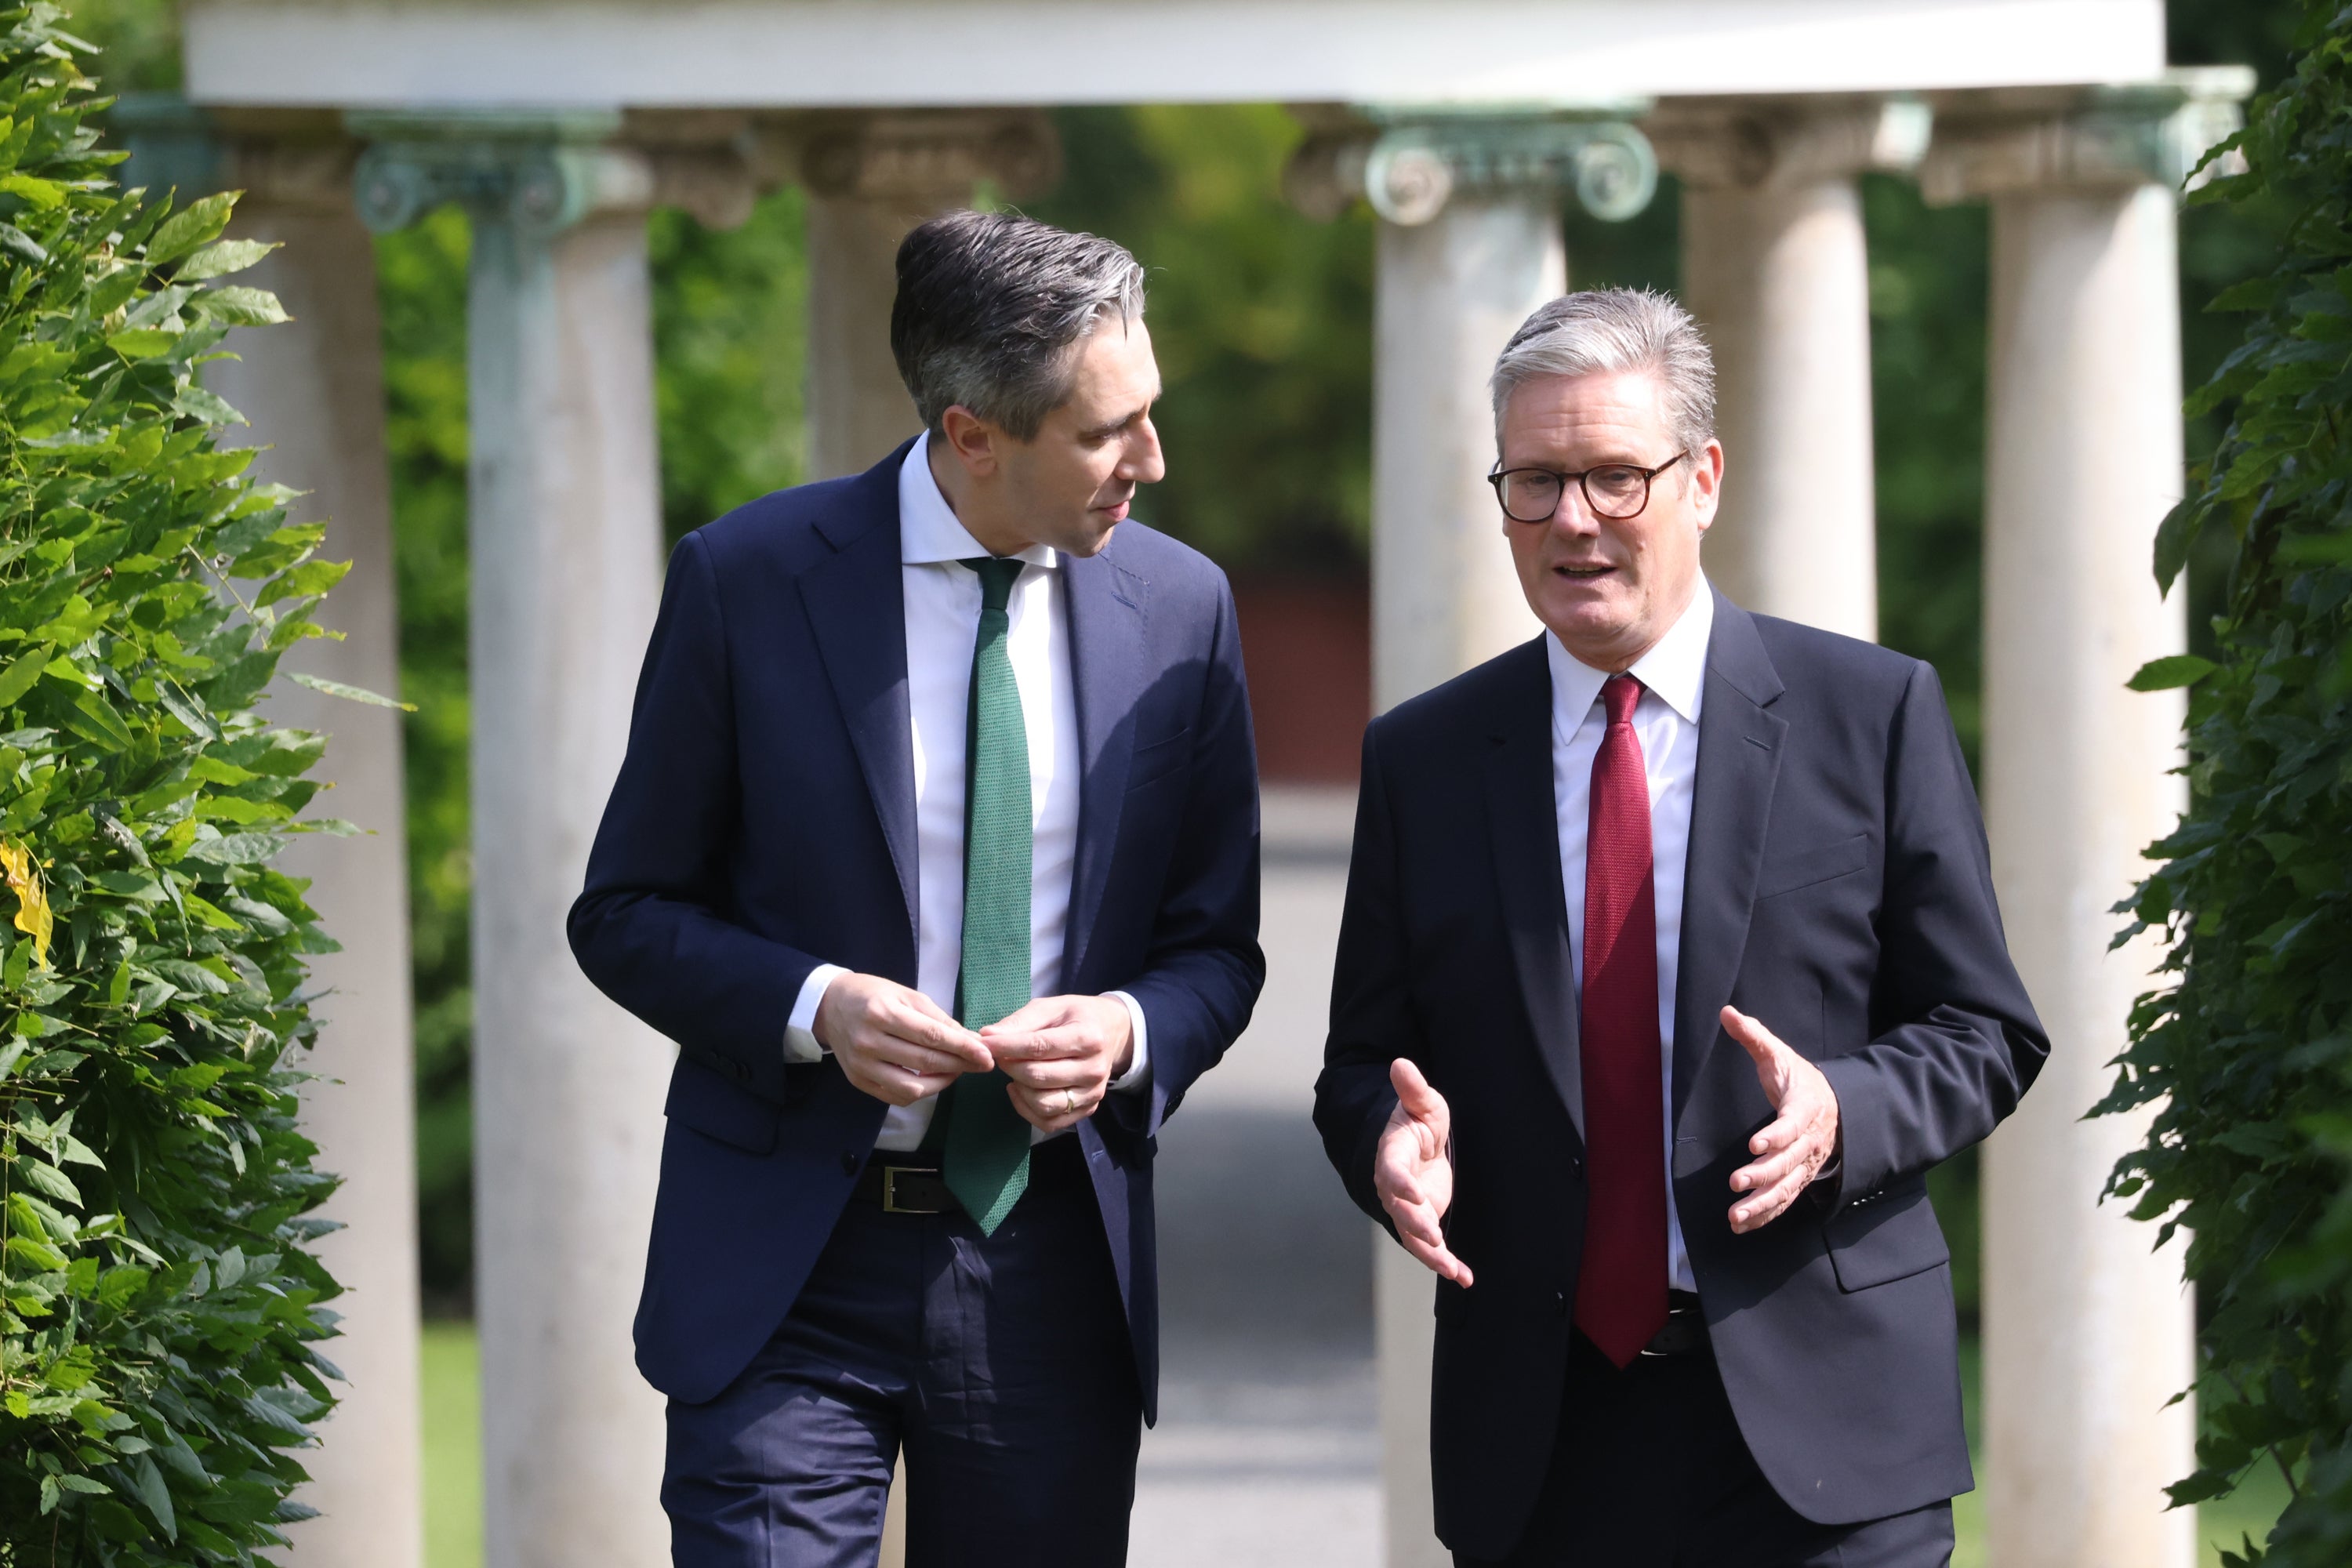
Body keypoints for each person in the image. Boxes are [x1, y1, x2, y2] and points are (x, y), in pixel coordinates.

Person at [569, 210, 1264, 1568]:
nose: (1153, 461)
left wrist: (1127, 1033)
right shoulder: (748, 581)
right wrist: (813, 1005)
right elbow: (625, 912)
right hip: (788, 1272)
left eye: (1151, 414)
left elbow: (1214, 951)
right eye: (1106, 431)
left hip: (1053, 1268)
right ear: (971, 434)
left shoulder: (1185, 609)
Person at [1313, 288, 2047, 1566]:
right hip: (1545, 1438)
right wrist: (1389, 1144)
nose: (1572, 520)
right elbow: (1360, 1065)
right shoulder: (1425, 758)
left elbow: (1985, 1030)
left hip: (1831, 1428)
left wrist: (1842, 1111)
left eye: (1613, 476)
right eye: (1534, 482)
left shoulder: (1869, 713)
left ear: (1702, 479)